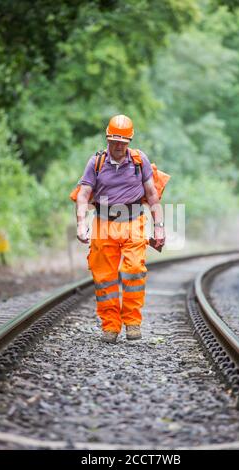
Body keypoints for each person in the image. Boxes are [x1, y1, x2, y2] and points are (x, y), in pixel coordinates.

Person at [76, 114, 165, 343]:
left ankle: (133, 322)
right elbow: (84, 195)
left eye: (122, 142)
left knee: (134, 269)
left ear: (129, 142)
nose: (118, 146)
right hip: (103, 223)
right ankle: (111, 326)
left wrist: (159, 228)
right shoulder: (95, 162)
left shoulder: (139, 161)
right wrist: (81, 223)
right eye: (114, 141)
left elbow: (153, 195)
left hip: (134, 221)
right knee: (104, 277)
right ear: (107, 139)